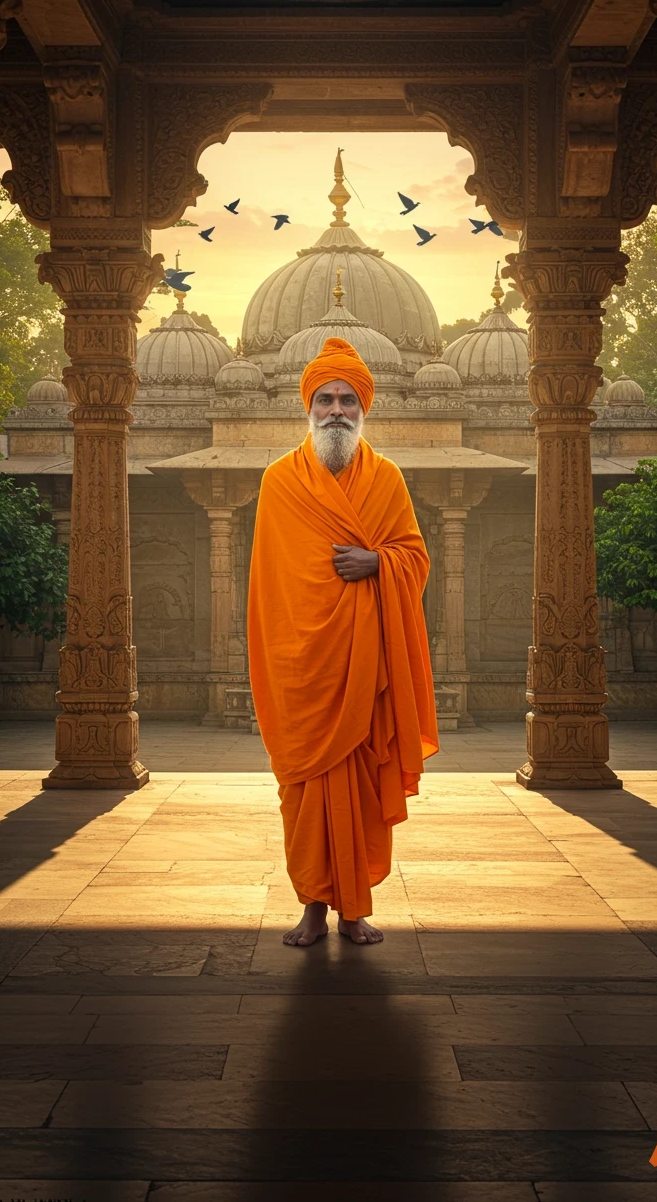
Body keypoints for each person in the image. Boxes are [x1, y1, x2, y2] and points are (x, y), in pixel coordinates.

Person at [248, 336, 438, 946]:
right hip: (301, 667)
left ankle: (353, 909)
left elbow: (416, 557)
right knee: (302, 795)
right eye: (325, 399)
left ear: (364, 409)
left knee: (357, 791)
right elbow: (270, 586)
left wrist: (378, 563)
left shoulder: (386, 480)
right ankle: (311, 906)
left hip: (366, 669)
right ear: (307, 407)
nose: (336, 410)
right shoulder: (280, 481)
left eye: (347, 401)